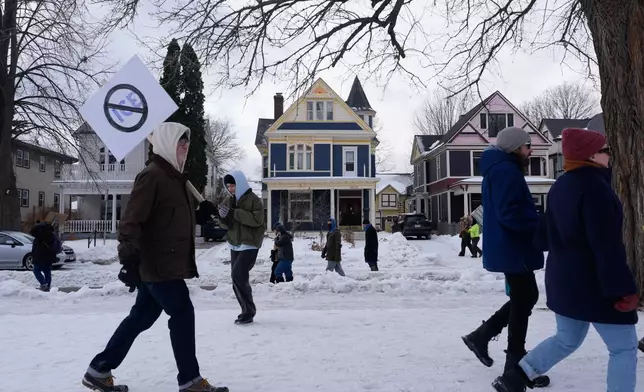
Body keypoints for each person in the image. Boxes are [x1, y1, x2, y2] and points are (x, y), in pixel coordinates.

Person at [81, 123, 229, 392]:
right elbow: (130, 221)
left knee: (141, 317)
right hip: (158, 264)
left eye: (187, 144)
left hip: (165, 262)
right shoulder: (152, 176)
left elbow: (169, 219)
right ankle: (190, 380)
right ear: (166, 144)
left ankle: (99, 369)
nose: (185, 148)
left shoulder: (175, 179)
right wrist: (128, 260)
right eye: (180, 143)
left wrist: (201, 213)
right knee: (182, 312)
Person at [494, 128, 640, 392]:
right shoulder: (596, 189)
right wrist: (623, 289)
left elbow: (542, 237)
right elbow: (606, 247)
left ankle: (516, 377)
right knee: (623, 348)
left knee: (566, 339)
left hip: (563, 281)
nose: (610, 156)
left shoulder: (560, 186)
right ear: (592, 156)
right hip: (595, 284)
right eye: (607, 151)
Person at [461, 126, 550, 389]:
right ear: (514, 149)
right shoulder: (506, 171)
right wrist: (539, 223)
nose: (530, 151)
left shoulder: (499, 169)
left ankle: (483, 336)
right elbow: (510, 213)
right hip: (515, 246)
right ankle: (513, 365)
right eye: (526, 146)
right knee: (524, 299)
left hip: (510, 246)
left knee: (525, 298)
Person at [218, 170, 265, 325]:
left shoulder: (254, 200)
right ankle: (246, 311)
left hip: (250, 244)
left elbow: (256, 219)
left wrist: (234, 212)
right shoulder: (228, 200)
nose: (231, 189)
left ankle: (249, 311)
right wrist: (222, 216)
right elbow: (225, 224)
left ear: (241, 184)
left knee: (238, 275)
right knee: (236, 278)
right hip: (235, 244)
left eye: (233, 185)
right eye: (229, 186)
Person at [30, 221, 61, 292]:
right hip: (49, 256)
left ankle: (44, 284)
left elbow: (32, 233)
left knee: (36, 270)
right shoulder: (52, 235)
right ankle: (47, 286)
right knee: (47, 272)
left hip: (39, 256)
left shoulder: (39, 235)